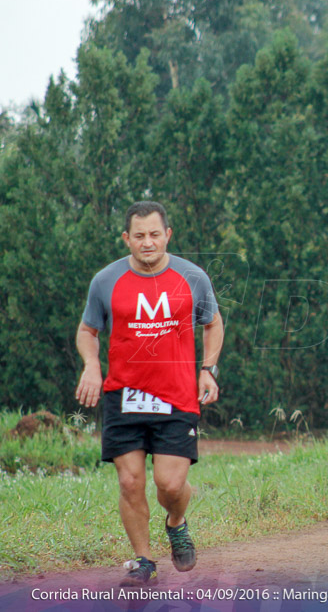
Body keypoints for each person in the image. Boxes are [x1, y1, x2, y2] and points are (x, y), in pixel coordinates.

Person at [76, 201, 223, 586]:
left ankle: (176, 521)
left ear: (168, 235)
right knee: (129, 482)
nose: (147, 243)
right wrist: (92, 366)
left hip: (177, 395)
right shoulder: (105, 281)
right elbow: (87, 331)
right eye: (138, 236)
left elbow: (213, 323)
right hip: (123, 395)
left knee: (170, 484)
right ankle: (144, 561)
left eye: (154, 234)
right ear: (127, 238)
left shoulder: (192, 277)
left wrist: (208, 369)